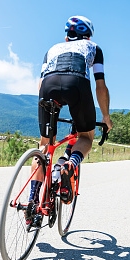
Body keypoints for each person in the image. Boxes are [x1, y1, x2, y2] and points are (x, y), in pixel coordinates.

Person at [28, 15, 113, 217]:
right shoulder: (94, 48)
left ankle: (33, 203)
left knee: (45, 144)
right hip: (76, 84)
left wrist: (47, 107)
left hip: (48, 87)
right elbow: (100, 86)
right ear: (88, 36)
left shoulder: (52, 49)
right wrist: (106, 117)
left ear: (67, 36)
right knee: (85, 137)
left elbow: (40, 84)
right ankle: (70, 164)